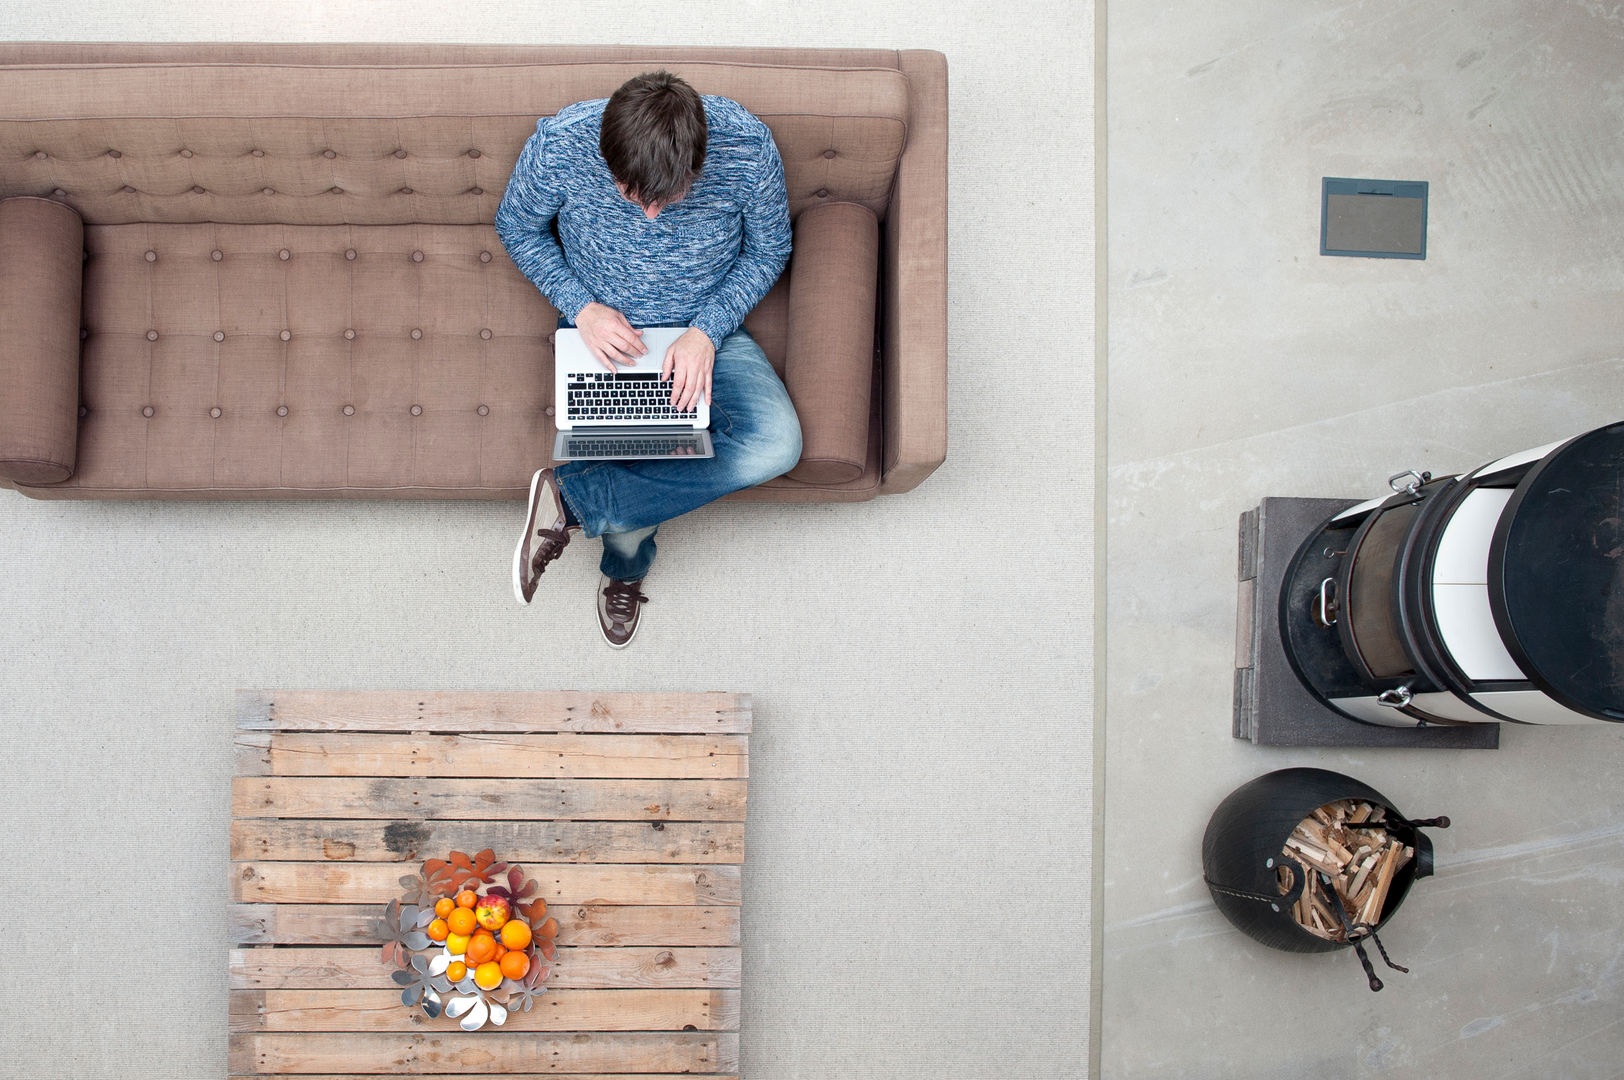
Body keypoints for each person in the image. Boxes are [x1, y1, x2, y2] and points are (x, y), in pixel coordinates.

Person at [496, 70, 802, 648]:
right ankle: (624, 571)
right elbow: (517, 226)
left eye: (670, 198)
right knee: (644, 458)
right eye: (632, 196)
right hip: (603, 340)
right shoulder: (562, 143)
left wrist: (706, 332)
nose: (652, 216)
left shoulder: (747, 147)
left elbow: (770, 248)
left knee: (778, 444)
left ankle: (572, 500)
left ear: (697, 163)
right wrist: (581, 307)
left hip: (706, 330)